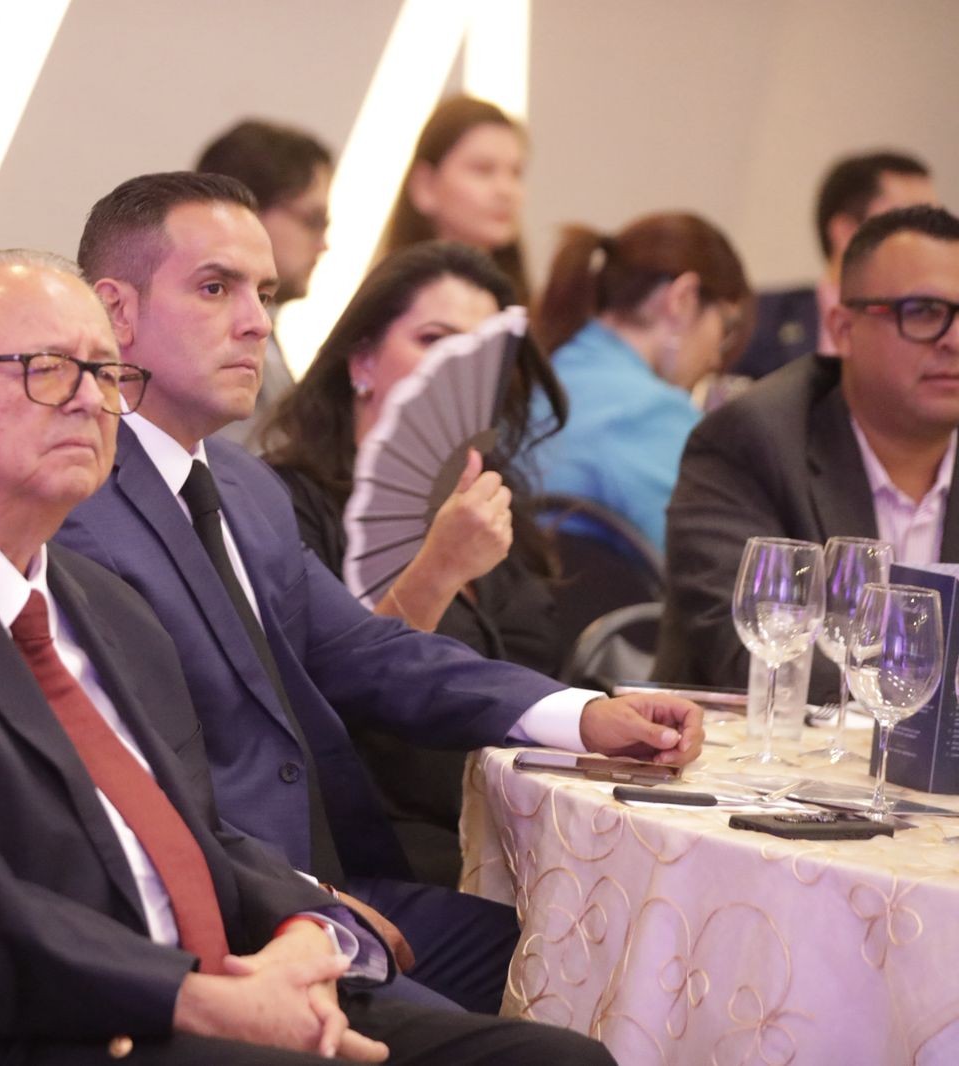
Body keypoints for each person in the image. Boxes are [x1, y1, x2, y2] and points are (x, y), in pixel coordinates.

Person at [0, 248, 616, 1066]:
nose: (90, 401)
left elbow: (194, 830)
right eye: (48, 370)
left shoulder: (103, 604)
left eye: (106, 373)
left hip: (225, 975)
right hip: (70, 1022)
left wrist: (307, 928)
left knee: (559, 1056)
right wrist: (195, 998)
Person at [55, 171, 704, 1014]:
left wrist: (583, 714)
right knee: (559, 1031)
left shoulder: (244, 488)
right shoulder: (75, 502)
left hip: (337, 874)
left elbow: (367, 650)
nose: (256, 322)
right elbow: (135, 772)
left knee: (619, 957)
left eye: (265, 293)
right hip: (228, 916)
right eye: (216, 288)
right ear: (116, 312)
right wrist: (304, 902)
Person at [258, 241, 565, 885]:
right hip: (384, 852)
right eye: (435, 340)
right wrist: (438, 571)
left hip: (526, 835)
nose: (460, 368)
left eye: (481, 353)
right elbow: (319, 713)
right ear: (362, 360)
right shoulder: (283, 502)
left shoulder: (499, 500)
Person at [656, 204, 959, 701]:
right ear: (843, 329)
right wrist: (925, 699)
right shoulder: (750, 440)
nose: (954, 340)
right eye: (923, 312)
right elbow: (753, 657)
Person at [523, 212, 753, 552]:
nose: (716, 359)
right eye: (727, 326)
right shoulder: (654, 413)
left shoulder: (540, 374)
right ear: (683, 298)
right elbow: (707, 559)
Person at [733, 151, 935, 380]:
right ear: (846, 232)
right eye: (909, 225)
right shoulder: (759, 319)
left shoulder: (941, 329)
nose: (931, 242)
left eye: (936, 225)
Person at [196, 119, 334, 448]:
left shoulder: (266, 334)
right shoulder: (209, 335)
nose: (323, 244)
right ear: (247, 213)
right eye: (313, 221)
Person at [374, 95, 530, 305]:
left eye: (516, 172)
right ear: (425, 185)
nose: (506, 190)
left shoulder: (528, 312)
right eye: (483, 170)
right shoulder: (389, 310)